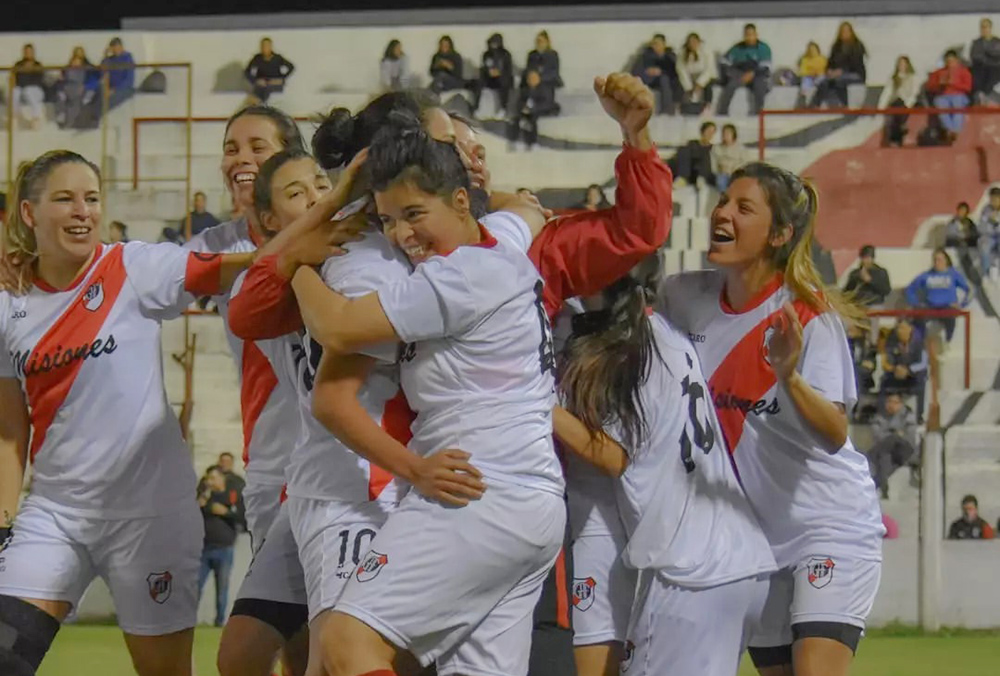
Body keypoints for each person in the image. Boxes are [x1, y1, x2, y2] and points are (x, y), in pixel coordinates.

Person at [229, 73, 671, 676]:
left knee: (344, 648)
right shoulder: (459, 244)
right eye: (449, 145)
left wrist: (298, 261)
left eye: (463, 148)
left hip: (451, 488)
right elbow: (252, 312)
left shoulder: (443, 267)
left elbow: (336, 335)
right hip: (475, 489)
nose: (468, 155)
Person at [0, 150, 254, 676]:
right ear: (29, 213)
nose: (83, 212)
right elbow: (8, 430)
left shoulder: (133, 266)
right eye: (64, 199)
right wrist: (3, 521)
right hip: (56, 514)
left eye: (92, 199)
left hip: (152, 516)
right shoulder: (7, 301)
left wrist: (308, 240)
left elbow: (227, 268)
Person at [658, 163, 884, 676]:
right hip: (753, 539)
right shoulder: (682, 297)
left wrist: (789, 377)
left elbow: (835, 433)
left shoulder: (804, 316)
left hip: (827, 525)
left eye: (744, 208)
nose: (722, 214)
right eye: (723, 201)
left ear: (779, 235)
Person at [554, 260, 776, 676]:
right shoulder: (664, 331)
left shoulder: (628, 348)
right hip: (743, 564)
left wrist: (538, 402)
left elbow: (614, 456)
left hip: (691, 572)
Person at [183, 104, 320, 676]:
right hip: (272, 466)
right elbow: (132, 275)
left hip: (352, 461)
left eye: (258, 147)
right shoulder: (215, 244)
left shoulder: (344, 229)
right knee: (292, 641)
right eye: (231, 148)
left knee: (341, 639)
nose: (241, 159)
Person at [198, 466, 240, 627]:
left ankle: (219, 621)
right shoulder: (204, 496)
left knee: (222, 588)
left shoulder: (231, 496)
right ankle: (186, 621)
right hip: (204, 549)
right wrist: (204, 496)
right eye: (208, 478)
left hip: (224, 549)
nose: (210, 481)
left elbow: (241, 517)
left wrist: (225, 513)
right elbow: (195, 510)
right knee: (195, 586)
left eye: (213, 478)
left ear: (222, 479)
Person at [904, 248, 971, 343]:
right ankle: (920, 342)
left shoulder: (953, 274)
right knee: (918, 316)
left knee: (950, 317)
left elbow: (969, 290)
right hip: (931, 306)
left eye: (939, 260)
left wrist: (961, 304)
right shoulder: (926, 275)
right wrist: (914, 303)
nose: (937, 262)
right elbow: (910, 289)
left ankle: (948, 341)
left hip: (947, 307)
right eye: (935, 260)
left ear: (946, 260)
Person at [867, 393, 919, 499]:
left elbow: (909, 437)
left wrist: (892, 435)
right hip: (886, 451)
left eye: (895, 402)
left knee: (886, 445)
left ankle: (879, 483)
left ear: (901, 404)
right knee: (884, 455)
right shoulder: (879, 417)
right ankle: (883, 486)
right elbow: (877, 436)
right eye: (889, 402)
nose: (891, 405)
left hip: (904, 450)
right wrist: (895, 433)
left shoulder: (907, 415)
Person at [717, 24, 772, 117]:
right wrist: (731, 73)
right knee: (730, 86)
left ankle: (758, 113)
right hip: (740, 74)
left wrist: (752, 74)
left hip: (757, 74)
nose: (749, 37)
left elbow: (766, 66)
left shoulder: (763, 48)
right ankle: (723, 112)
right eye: (747, 35)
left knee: (760, 86)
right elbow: (724, 61)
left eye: (751, 35)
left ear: (756, 35)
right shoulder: (737, 48)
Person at [811, 22, 867, 109]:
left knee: (839, 81)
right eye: (843, 31)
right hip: (837, 74)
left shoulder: (857, 46)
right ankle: (815, 105)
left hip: (855, 74)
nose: (845, 33)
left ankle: (845, 105)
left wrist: (841, 71)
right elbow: (830, 62)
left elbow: (856, 64)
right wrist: (829, 70)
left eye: (847, 31)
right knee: (823, 82)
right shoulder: (836, 46)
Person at [927, 50, 973, 143]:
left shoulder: (963, 72)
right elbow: (930, 87)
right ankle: (949, 129)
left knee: (958, 108)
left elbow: (968, 87)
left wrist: (954, 84)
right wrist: (939, 84)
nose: (950, 64)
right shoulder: (939, 72)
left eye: (952, 61)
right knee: (941, 107)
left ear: (957, 61)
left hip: (958, 95)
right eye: (948, 61)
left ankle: (955, 130)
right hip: (943, 95)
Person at [508, 69, 561, 150]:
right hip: (529, 110)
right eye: (529, 78)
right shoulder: (525, 90)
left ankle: (532, 142)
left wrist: (532, 108)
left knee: (531, 119)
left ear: (538, 78)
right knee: (517, 119)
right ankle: (514, 141)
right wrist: (523, 108)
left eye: (534, 78)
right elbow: (520, 102)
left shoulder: (544, 89)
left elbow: (547, 103)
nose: (531, 80)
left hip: (545, 110)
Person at [631, 34, 679, 115]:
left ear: (664, 44)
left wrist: (661, 71)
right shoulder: (646, 56)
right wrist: (647, 72)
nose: (656, 46)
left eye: (658, 44)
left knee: (665, 79)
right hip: (648, 79)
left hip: (666, 81)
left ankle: (667, 110)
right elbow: (635, 71)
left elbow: (675, 71)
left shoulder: (670, 56)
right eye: (654, 44)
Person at [879, 55, 919, 146]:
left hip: (907, 102)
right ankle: (895, 138)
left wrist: (908, 103)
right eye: (900, 64)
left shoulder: (913, 77)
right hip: (895, 102)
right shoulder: (893, 78)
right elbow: (887, 92)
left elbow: (914, 92)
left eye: (903, 64)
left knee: (899, 111)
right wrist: (881, 106)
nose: (902, 66)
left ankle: (897, 137)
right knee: (893, 114)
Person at [55, 46, 98, 130]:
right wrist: (61, 88)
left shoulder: (89, 69)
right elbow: (61, 81)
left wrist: (85, 87)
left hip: (81, 90)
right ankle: (62, 116)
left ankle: (71, 123)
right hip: (68, 89)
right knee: (61, 97)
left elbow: (93, 80)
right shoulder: (66, 69)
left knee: (75, 104)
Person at [473, 33, 514, 117]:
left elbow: (509, 70)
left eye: (495, 43)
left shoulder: (506, 54)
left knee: (504, 81)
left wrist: (499, 73)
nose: (493, 45)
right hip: (490, 79)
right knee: (478, 81)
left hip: (502, 78)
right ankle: (477, 108)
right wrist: (489, 72)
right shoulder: (486, 54)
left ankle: (503, 108)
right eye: (492, 43)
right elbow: (484, 67)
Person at [244, 38, 295, 104]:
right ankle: (257, 103)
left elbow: (291, 67)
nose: (264, 48)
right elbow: (247, 72)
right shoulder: (257, 58)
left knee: (266, 89)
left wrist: (282, 79)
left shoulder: (277, 58)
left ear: (271, 47)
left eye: (267, 46)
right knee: (259, 89)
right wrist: (256, 80)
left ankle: (259, 102)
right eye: (263, 46)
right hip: (262, 82)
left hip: (275, 83)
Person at [676, 32, 716, 114]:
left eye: (694, 42)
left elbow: (709, 69)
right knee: (678, 84)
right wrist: (688, 86)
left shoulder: (707, 52)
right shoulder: (682, 53)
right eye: (690, 42)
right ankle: (680, 107)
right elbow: (681, 70)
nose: (692, 45)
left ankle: (707, 106)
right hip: (689, 76)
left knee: (708, 86)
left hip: (704, 76)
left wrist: (700, 83)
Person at [668, 121, 716, 187]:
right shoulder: (692, 144)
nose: (710, 134)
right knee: (684, 150)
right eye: (708, 131)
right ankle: (683, 178)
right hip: (690, 169)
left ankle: (700, 179)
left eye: (712, 132)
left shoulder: (712, 148)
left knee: (706, 157)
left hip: (702, 172)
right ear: (702, 132)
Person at [13, 43, 46, 129]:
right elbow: (16, 79)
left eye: (30, 52)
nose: (28, 54)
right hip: (21, 88)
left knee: (29, 91)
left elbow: (38, 80)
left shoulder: (38, 65)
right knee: (14, 92)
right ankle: (14, 117)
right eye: (26, 52)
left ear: (33, 52)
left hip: (35, 89)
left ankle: (35, 118)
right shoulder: (19, 65)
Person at [712, 123, 751, 192]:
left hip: (736, 173)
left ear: (733, 134)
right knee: (720, 181)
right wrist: (718, 170)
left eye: (728, 133)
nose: (725, 135)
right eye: (724, 133)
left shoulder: (741, 148)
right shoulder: (717, 148)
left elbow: (746, 163)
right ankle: (724, 196)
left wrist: (735, 169)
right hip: (722, 174)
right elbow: (713, 163)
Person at [100, 38, 135, 111]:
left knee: (108, 102)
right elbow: (102, 73)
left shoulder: (127, 58)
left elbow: (129, 80)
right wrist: (105, 55)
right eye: (113, 48)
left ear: (121, 47)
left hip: (123, 89)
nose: (115, 50)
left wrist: (114, 90)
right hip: (110, 89)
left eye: (117, 47)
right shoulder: (110, 59)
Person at [970, 17, 1000, 102]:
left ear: (990, 28)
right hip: (980, 69)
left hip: (995, 68)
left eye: (986, 27)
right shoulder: (977, 43)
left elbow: (997, 54)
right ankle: (980, 96)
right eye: (982, 27)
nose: (984, 29)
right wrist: (989, 55)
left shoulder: (997, 42)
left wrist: (986, 54)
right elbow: (975, 56)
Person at [977, 186, 1000, 278]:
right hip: (990, 236)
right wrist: (990, 221)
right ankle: (987, 274)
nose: (992, 201)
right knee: (984, 246)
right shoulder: (986, 210)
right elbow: (981, 226)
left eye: (995, 199)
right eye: (991, 199)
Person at [797, 42, 827, 108]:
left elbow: (824, 69)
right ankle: (803, 97)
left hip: (819, 76)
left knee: (822, 78)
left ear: (817, 49)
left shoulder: (822, 59)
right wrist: (810, 74)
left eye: (814, 49)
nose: (812, 51)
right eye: (810, 50)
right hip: (809, 77)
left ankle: (814, 101)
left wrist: (817, 73)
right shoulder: (805, 59)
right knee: (805, 80)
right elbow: (803, 71)